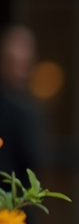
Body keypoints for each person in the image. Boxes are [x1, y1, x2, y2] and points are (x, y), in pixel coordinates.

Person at [0, 25, 45, 183]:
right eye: (13, 61)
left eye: (24, 61)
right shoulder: (10, 108)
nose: (19, 69)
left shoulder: (32, 105)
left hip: (24, 198)